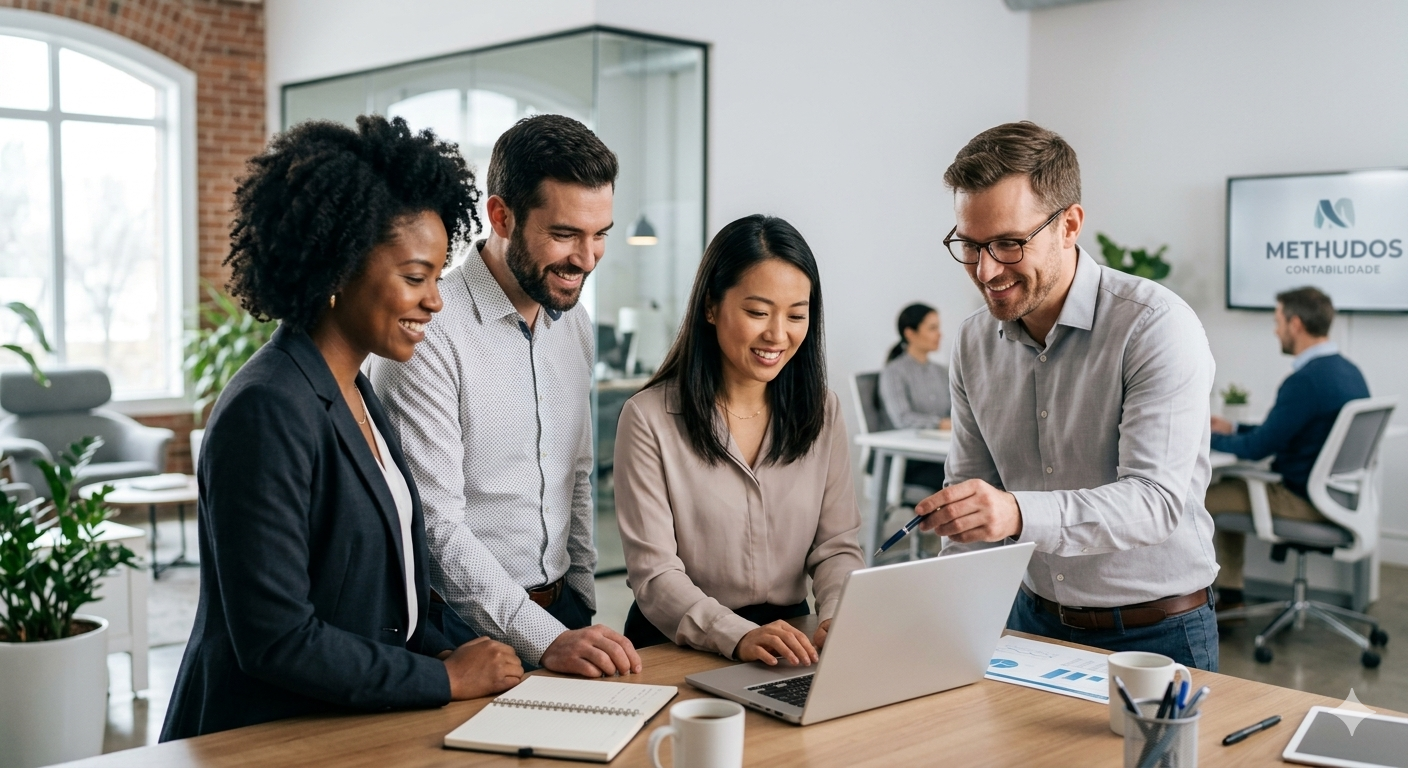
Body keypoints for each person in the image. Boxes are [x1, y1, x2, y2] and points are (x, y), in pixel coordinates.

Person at [162, 116, 523, 741]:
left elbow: (385, 594)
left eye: (438, 277)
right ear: (336, 269)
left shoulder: (355, 386)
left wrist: (443, 654)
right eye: (415, 277)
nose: (435, 300)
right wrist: (446, 680)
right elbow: (276, 639)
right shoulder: (267, 407)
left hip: (353, 721)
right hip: (263, 738)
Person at [915, 122, 1220, 670]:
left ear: (1069, 225)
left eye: (1009, 243)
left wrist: (1014, 512)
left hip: (1158, 635)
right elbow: (968, 497)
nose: (986, 271)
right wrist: (947, 621)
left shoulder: (1155, 326)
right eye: (970, 245)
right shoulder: (972, 341)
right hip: (1030, 625)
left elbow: (1156, 501)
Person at [371, 114, 641, 678]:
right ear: (501, 216)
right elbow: (435, 524)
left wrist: (582, 602)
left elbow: (577, 477)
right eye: (565, 234)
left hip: (564, 612)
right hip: (461, 633)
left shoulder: (576, 324)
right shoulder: (428, 331)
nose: (587, 259)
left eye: (601, 236)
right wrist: (546, 639)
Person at [613, 215, 866, 666]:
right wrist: (736, 635)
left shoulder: (822, 411)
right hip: (677, 645)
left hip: (790, 641)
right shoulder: (648, 418)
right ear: (711, 306)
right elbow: (654, 574)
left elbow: (837, 547)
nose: (777, 334)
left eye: (796, 315)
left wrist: (840, 612)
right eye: (757, 312)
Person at [1206, 286, 1369, 610]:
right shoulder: (1348, 371)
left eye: (1278, 320)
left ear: (1296, 324)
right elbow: (1288, 433)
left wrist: (1198, 436)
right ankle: (1232, 596)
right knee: (1230, 487)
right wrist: (1233, 428)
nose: (1275, 329)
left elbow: (1257, 448)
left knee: (1194, 500)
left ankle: (1192, 606)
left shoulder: (1305, 381)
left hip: (1301, 499)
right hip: (1337, 497)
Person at [878, 302, 950, 489]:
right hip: (910, 460)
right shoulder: (894, 372)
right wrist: (940, 424)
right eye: (932, 328)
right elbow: (902, 419)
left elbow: (955, 409)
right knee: (959, 479)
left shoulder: (942, 372)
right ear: (910, 333)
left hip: (938, 453)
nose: (940, 334)